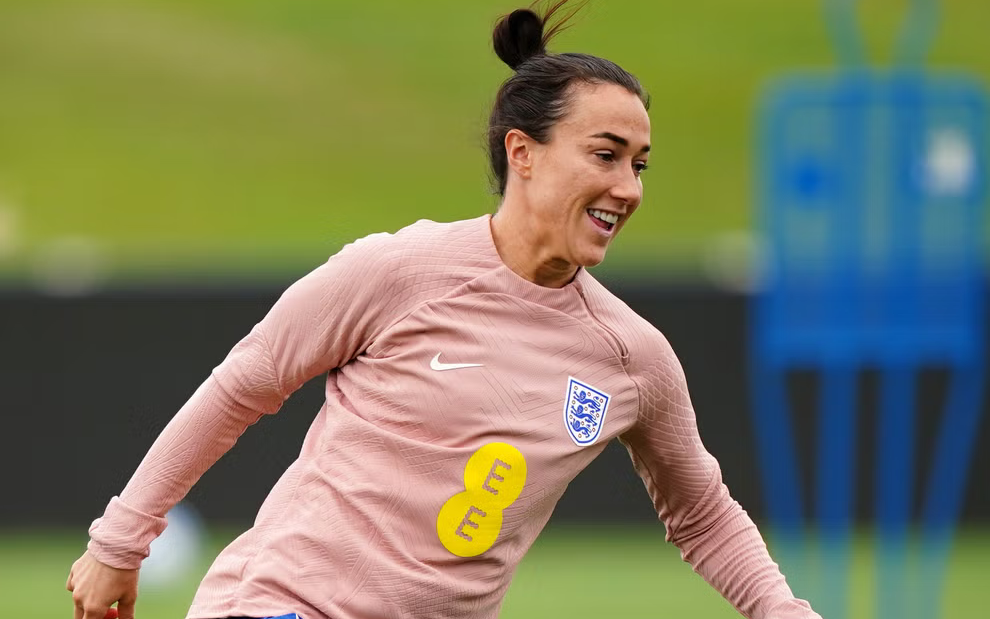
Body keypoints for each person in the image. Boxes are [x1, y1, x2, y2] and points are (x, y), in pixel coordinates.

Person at [67, 3, 822, 619]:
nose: (628, 187)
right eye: (605, 154)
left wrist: (783, 609)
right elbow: (242, 386)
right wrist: (120, 541)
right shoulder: (398, 269)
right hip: (282, 603)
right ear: (522, 153)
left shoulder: (632, 357)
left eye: (640, 164)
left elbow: (703, 513)